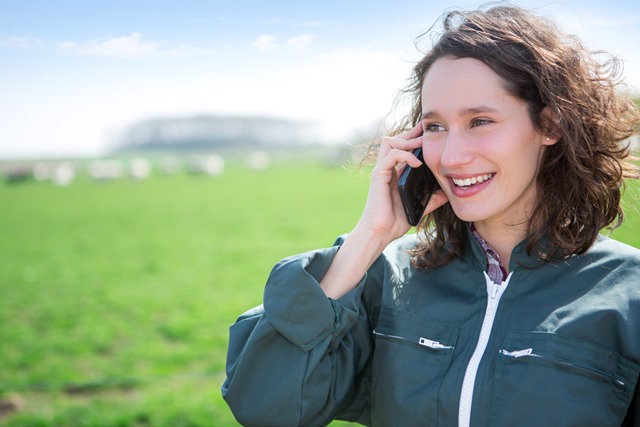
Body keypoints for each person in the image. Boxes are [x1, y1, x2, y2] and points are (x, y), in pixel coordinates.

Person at [222, 5, 640, 426]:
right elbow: (265, 408)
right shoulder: (387, 279)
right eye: (436, 127)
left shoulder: (628, 297)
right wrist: (369, 237)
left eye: (479, 121)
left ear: (549, 124)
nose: (452, 157)